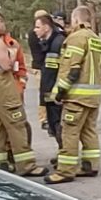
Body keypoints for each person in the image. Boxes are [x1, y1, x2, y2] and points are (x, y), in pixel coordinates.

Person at [0, 12, 47, 177]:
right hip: (1, 85)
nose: (4, 26)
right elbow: (6, 66)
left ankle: (0, 163)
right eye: (3, 23)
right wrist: (12, 55)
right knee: (17, 123)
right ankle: (26, 165)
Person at [47, 6, 101, 184]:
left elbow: (71, 69)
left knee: (69, 133)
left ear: (75, 19)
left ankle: (65, 171)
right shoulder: (97, 40)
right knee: (89, 131)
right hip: (94, 96)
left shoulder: (76, 39)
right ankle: (90, 165)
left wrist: (59, 92)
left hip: (77, 97)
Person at [32, 14, 65, 149]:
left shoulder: (58, 42)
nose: (35, 30)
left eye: (37, 27)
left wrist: (59, 93)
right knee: (52, 125)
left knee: (59, 126)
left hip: (56, 93)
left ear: (46, 27)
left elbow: (61, 71)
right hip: (49, 92)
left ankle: (64, 155)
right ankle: (61, 152)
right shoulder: (47, 43)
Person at [29, 9, 51, 129]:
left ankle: (49, 116)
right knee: (43, 93)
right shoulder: (34, 35)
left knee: (49, 94)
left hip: (45, 67)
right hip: (39, 67)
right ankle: (43, 118)